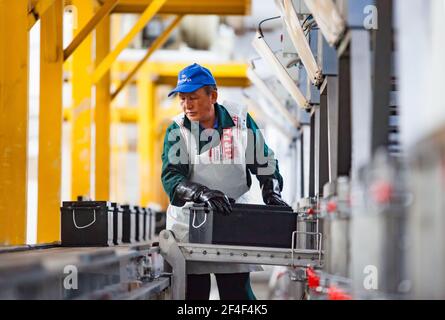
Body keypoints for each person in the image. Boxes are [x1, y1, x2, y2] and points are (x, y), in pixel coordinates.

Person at [161, 63, 288, 300]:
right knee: (193, 294)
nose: (187, 105)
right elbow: (171, 178)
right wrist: (201, 193)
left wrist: (272, 192)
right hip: (190, 224)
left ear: (213, 96)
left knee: (236, 292)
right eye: (182, 99)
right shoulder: (178, 129)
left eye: (193, 98)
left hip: (232, 217)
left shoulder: (240, 120)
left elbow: (264, 161)